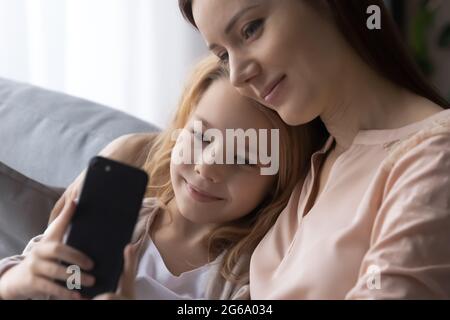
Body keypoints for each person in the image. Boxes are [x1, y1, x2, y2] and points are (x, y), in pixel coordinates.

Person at [178, 0, 450, 299]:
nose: (237, 76)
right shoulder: (316, 158)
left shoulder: (434, 157)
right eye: (223, 56)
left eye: (251, 29)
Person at [0, 55, 314, 300]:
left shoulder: (247, 275)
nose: (207, 167)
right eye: (200, 135)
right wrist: (15, 280)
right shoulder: (117, 217)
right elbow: (32, 273)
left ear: (276, 180)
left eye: (243, 158)